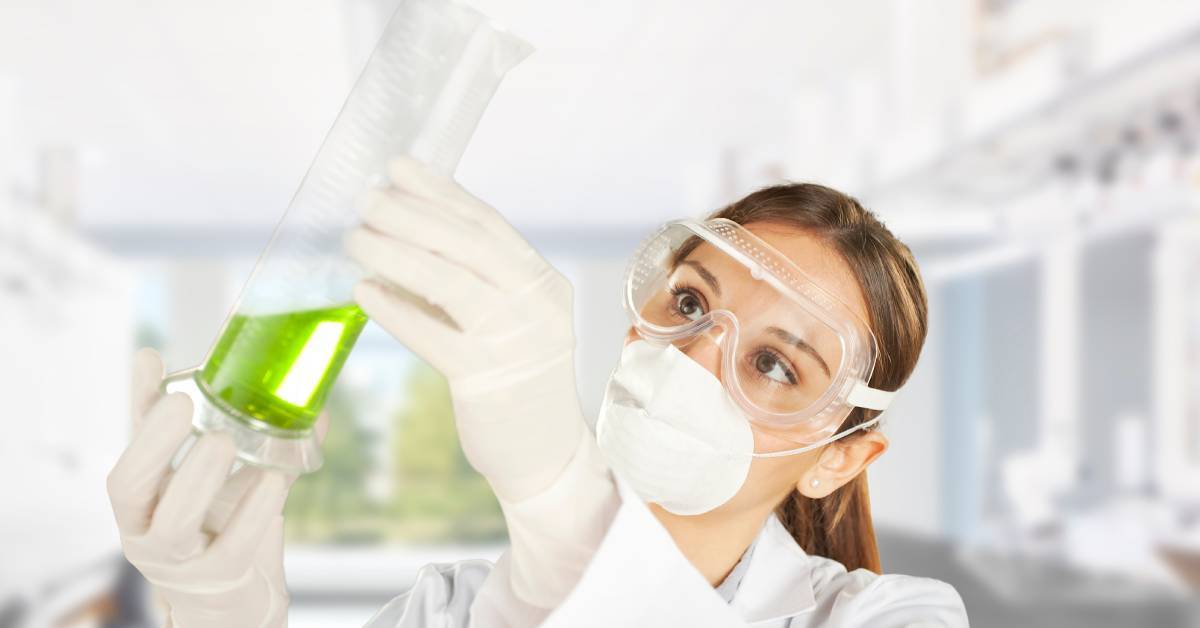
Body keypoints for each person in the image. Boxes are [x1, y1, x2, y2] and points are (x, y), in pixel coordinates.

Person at [106, 157, 968, 627]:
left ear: (841, 457)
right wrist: (223, 611)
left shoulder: (892, 619)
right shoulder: (446, 613)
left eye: (776, 364)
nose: (696, 355)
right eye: (692, 302)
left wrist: (558, 495)